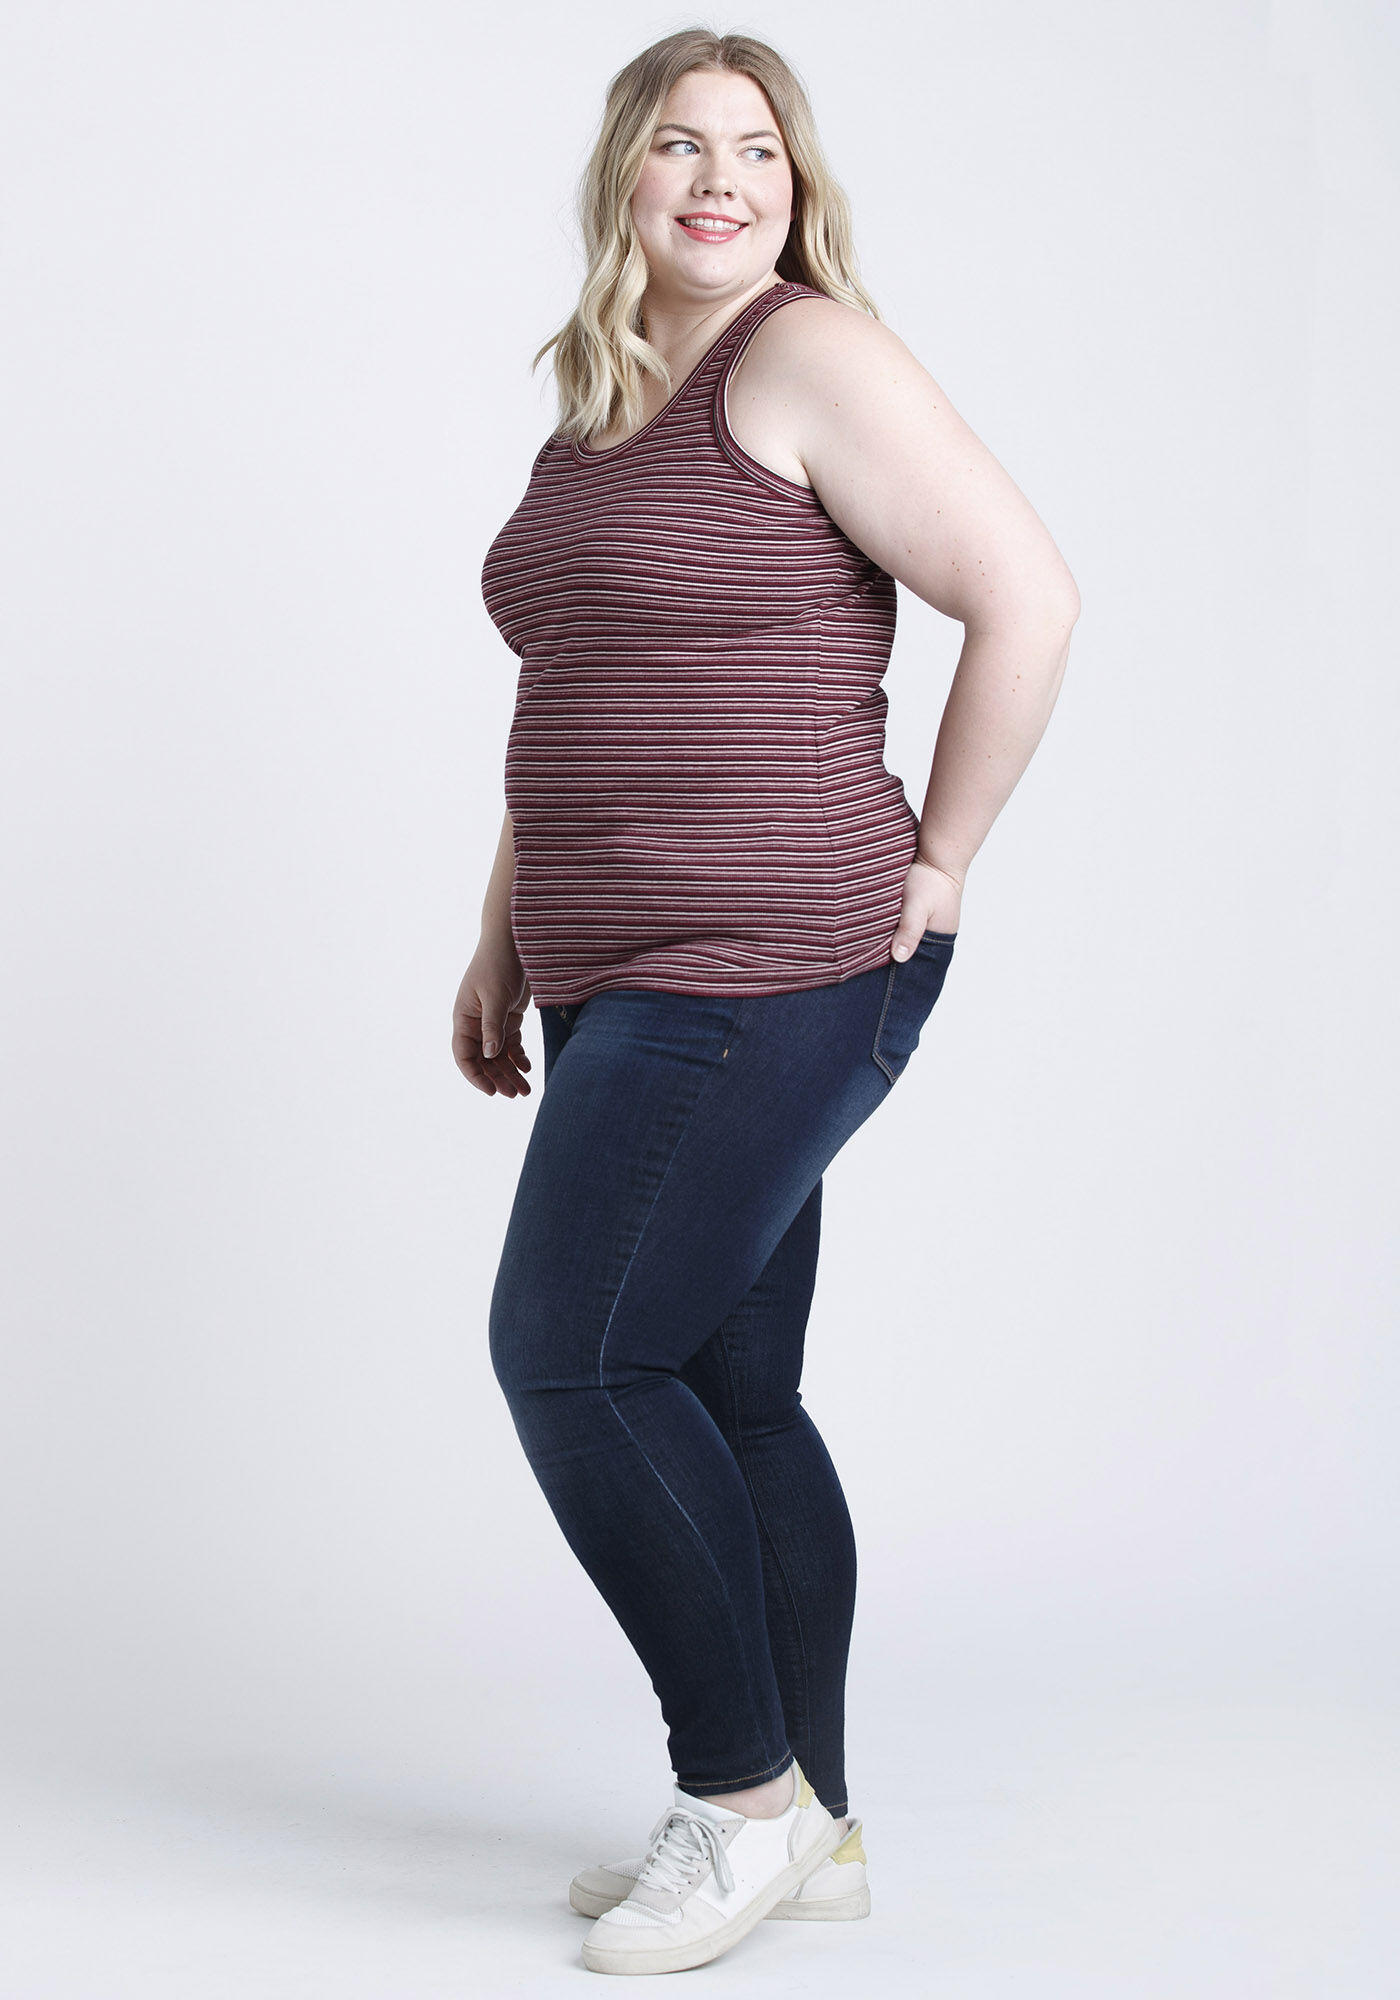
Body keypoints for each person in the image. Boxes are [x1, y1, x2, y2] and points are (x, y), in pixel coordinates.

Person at [453, 26, 1079, 1979]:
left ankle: (738, 1805)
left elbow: (1029, 594)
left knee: (573, 1359)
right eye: (679, 145)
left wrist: (943, 855)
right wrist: (499, 938)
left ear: (797, 189)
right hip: (614, 960)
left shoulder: (808, 357)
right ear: (620, 181)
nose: (720, 180)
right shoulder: (599, 405)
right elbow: (574, 691)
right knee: (727, 1389)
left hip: (770, 957)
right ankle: (812, 1826)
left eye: (758, 149)